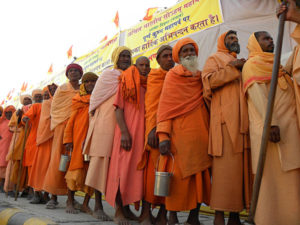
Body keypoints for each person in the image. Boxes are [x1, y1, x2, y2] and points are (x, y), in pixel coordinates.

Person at [242, 31, 300, 225]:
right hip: (270, 130)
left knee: (291, 176)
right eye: (265, 39)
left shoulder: (277, 65)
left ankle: (292, 218)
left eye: (271, 38)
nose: (271, 41)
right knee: (271, 178)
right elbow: (259, 96)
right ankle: (269, 219)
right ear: (256, 45)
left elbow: (292, 67)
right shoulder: (252, 65)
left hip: (288, 129)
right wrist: (272, 123)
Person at [156, 38, 211, 225]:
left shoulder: (201, 75)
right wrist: (163, 136)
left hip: (201, 134)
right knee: (177, 179)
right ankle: (172, 217)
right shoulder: (172, 76)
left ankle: (193, 217)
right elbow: (164, 108)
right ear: (178, 56)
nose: (189, 53)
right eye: (184, 51)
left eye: (191, 50)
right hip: (179, 137)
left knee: (200, 177)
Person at [202, 31, 252, 225]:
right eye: (231, 38)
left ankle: (234, 216)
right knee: (224, 172)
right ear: (223, 41)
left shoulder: (242, 61)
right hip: (224, 125)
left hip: (242, 124)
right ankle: (219, 216)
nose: (235, 41)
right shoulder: (214, 58)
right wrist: (233, 69)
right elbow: (208, 82)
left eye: (236, 39)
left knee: (240, 171)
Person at [83, 46, 132, 221]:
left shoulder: (133, 74)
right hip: (106, 121)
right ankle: (97, 205)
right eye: (123, 56)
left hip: (125, 122)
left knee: (122, 165)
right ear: (116, 58)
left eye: (128, 56)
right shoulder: (108, 75)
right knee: (101, 162)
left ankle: (124, 208)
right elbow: (95, 101)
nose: (126, 59)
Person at [105, 56, 150, 225]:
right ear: (135, 66)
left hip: (142, 136)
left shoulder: (149, 84)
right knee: (120, 171)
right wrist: (124, 132)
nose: (144, 68)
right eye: (141, 65)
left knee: (135, 174)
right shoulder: (126, 81)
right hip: (126, 134)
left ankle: (127, 209)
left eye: (147, 65)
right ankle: (118, 211)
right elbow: (118, 109)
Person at [137, 45, 177, 225]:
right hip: (156, 132)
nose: (169, 59)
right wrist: (152, 129)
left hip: (175, 131)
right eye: (165, 56)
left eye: (171, 56)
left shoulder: (177, 76)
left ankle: (162, 214)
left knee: (169, 173)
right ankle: (146, 213)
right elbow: (152, 105)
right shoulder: (155, 76)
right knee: (152, 174)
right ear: (158, 60)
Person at [43, 63, 82, 209]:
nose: (73, 73)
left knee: (73, 161)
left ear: (80, 74)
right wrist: (65, 121)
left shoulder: (83, 88)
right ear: (67, 74)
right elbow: (56, 109)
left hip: (78, 127)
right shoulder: (62, 89)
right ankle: (53, 196)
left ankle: (70, 198)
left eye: (76, 71)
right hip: (62, 127)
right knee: (58, 160)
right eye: (70, 71)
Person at [63, 72, 98, 214]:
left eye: (93, 81)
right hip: (78, 140)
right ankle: (70, 201)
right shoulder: (77, 99)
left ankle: (85, 204)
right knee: (75, 170)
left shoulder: (100, 98)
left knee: (93, 171)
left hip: (95, 139)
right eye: (87, 81)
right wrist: (68, 140)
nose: (90, 84)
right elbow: (70, 122)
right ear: (83, 84)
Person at [28, 84, 58, 204]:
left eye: (48, 93)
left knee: (50, 167)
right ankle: (37, 192)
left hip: (55, 137)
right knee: (40, 166)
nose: (46, 96)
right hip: (43, 138)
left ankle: (46, 194)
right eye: (45, 93)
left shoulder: (57, 101)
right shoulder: (41, 104)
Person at [5, 94, 32, 196]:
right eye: (25, 99)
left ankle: (25, 189)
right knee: (16, 164)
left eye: (29, 99)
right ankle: (12, 188)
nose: (27, 100)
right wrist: (21, 126)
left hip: (30, 140)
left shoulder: (33, 109)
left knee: (27, 165)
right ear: (22, 101)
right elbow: (11, 127)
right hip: (18, 141)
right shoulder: (17, 112)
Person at [21, 89, 43, 201]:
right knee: (32, 166)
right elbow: (26, 117)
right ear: (34, 98)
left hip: (44, 139)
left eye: (40, 95)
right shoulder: (35, 107)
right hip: (34, 140)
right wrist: (25, 118)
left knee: (42, 167)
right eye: (37, 96)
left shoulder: (48, 105)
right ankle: (34, 192)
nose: (39, 97)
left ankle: (42, 193)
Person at [0, 105, 16, 192]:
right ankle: (1, 184)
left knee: (8, 165)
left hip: (11, 147)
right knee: (1, 164)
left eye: (11, 113)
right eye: (7, 113)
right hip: (2, 147)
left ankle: (6, 185)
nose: (9, 115)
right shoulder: (1, 121)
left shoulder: (16, 122)